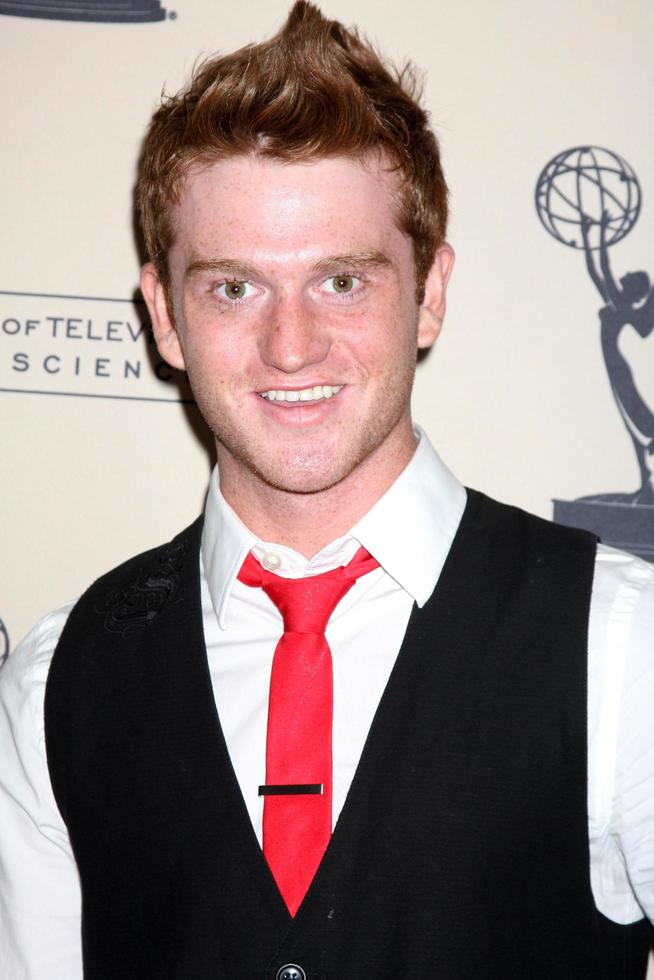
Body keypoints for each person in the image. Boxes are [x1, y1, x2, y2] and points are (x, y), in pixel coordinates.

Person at [1, 3, 653, 978]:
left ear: (429, 293)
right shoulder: (59, 683)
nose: (291, 344)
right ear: (163, 316)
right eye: (234, 287)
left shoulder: (622, 646)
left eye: (343, 281)